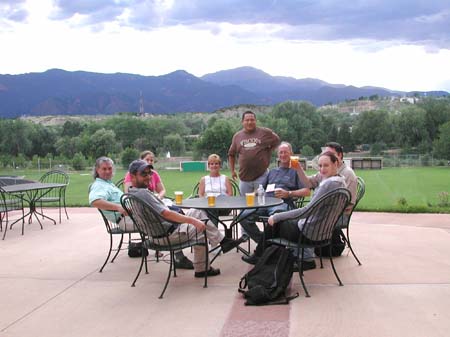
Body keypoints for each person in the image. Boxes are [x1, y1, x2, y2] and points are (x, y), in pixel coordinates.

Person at [127, 160, 244, 277]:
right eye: (144, 174)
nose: (148, 177)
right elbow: (166, 214)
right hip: (167, 236)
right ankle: (202, 269)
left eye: (149, 173)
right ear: (132, 176)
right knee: (200, 226)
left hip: (155, 235)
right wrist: (193, 221)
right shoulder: (143, 194)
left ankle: (224, 242)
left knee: (197, 211)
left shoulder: (131, 192)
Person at [243, 151, 347, 270]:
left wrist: (277, 217)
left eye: (326, 165)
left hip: (309, 233)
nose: (322, 169)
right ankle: (268, 255)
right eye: (320, 165)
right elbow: (308, 182)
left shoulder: (329, 184)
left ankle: (262, 256)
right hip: (323, 233)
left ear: (336, 164)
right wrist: (298, 168)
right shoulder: (339, 180)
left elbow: (306, 211)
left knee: (275, 223)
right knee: (276, 225)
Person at [88, 156, 193, 269]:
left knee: (165, 212)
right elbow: (95, 201)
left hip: (132, 215)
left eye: (109, 168)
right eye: (104, 169)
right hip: (124, 219)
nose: (108, 171)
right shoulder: (99, 185)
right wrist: (118, 207)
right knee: (162, 217)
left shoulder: (107, 184)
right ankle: (177, 254)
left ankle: (175, 250)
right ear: (97, 170)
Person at [239, 142, 311, 250]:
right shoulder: (272, 171)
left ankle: (264, 248)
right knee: (243, 216)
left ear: (291, 153)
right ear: (278, 155)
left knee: (276, 218)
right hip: (265, 203)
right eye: (280, 153)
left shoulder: (296, 171)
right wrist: (252, 195)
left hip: (282, 204)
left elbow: (307, 191)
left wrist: (289, 193)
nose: (283, 155)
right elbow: (261, 188)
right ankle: (264, 244)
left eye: (285, 152)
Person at [296, 142, 357, 217]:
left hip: (336, 216)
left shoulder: (348, 174)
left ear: (340, 155)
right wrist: (298, 170)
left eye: (330, 154)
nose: (327, 156)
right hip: (321, 212)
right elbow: (309, 183)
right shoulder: (326, 171)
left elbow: (347, 204)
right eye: (325, 154)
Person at [228, 110, 280, 195]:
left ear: (255, 121)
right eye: (247, 120)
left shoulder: (265, 132)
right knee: (244, 204)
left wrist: (269, 150)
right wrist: (232, 170)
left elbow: (277, 140)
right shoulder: (237, 137)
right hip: (244, 178)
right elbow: (231, 154)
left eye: (252, 120)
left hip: (261, 176)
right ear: (242, 122)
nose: (249, 122)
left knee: (261, 202)